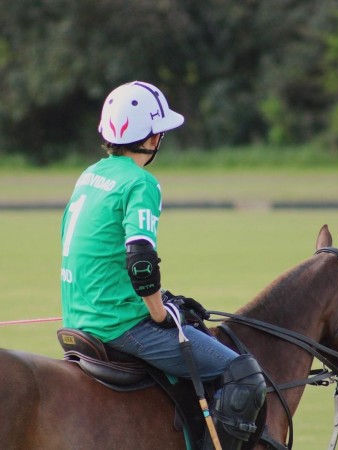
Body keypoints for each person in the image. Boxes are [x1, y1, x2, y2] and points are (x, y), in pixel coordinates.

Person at [60, 81, 266, 449]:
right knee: (243, 375)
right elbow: (140, 260)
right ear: (152, 139)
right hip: (119, 324)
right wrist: (158, 312)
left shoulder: (90, 174)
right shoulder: (141, 183)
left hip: (79, 318)